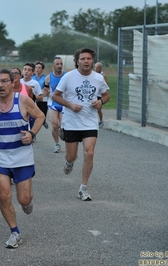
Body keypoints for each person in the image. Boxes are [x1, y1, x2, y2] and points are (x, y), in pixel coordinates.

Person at [0, 68, 45, 248]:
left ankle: (27, 202)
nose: (1, 85)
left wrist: (32, 134)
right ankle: (14, 232)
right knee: (3, 196)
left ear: (12, 82)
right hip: (0, 157)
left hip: (22, 157)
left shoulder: (23, 101)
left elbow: (40, 116)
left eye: (4, 81)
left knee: (24, 199)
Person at [52, 48, 110, 201]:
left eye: (89, 59)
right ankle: (69, 162)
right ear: (77, 61)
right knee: (72, 156)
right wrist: (70, 105)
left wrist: (101, 101)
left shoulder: (98, 78)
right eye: (83, 59)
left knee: (89, 153)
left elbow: (106, 94)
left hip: (90, 122)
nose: (86, 61)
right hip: (71, 122)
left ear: (92, 61)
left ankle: (83, 188)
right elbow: (55, 96)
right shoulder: (68, 77)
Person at [44, 57, 66, 153]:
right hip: (53, 103)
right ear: (53, 65)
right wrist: (45, 92)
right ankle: (57, 144)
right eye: (57, 64)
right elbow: (45, 90)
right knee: (54, 125)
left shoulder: (66, 75)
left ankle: (62, 132)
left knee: (63, 125)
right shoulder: (48, 78)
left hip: (64, 103)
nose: (59, 66)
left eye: (61, 64)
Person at [32, 61, 48, 129]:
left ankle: (43, 122)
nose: (37, 69)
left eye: (39, 67)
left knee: (42, 116)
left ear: (42, 69)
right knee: (33, 116)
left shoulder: (45, 78)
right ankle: (33, 133)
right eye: (36, 67)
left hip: (43, 99)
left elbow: (48, 88)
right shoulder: (32, 77)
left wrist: (46, 92)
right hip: (33, 97)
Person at [95, 62, 109, 127]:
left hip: (100, 95)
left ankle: (101, 121)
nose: (96, 69)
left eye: (97, 68)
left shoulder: (103, 75)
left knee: (99, 109)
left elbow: (106, 85)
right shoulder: (94, 74)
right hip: (95, 95)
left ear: (100, 68)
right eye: (95, 67)